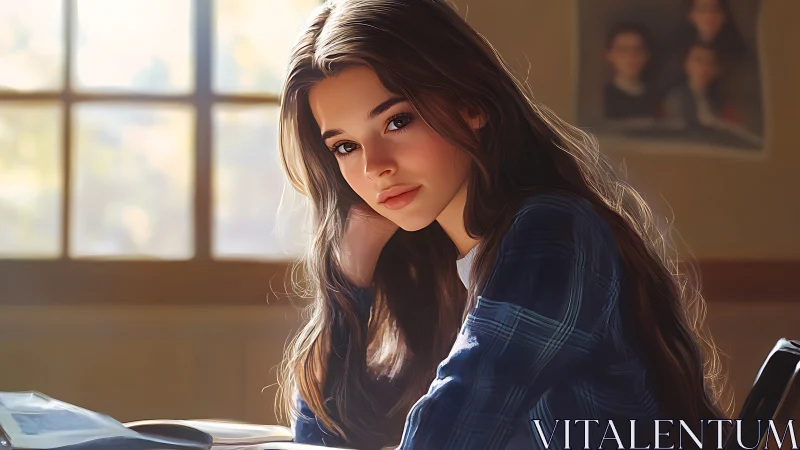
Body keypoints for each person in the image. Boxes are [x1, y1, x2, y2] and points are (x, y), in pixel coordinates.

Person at [275, 0, 731, 448]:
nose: (375, 166)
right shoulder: (439, 272)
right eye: (345, 147)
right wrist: (347, 283)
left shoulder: (554, 235)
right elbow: (324, 439)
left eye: (398, 121)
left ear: (471, 104)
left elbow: (448, 436)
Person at [602, 22, 660, 124]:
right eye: (623, 50)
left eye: (638, 49)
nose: (631, 56)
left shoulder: (658, 97)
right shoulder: (602, 99)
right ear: (609, 55)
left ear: (646, 55)